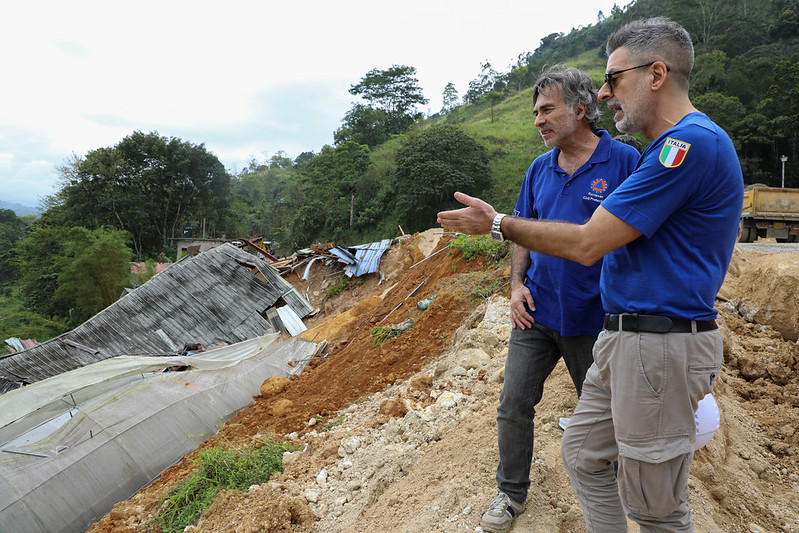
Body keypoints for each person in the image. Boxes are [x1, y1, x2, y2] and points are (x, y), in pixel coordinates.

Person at [437, 17, 743, 532]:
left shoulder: (681, 150)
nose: (606, 93)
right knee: (581, 453)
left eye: (614, 79)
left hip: (650, 341)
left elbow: (586, 243)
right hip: (618, 335)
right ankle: (515, 495)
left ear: (656, 74)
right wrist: (516, 281)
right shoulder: (627, 158)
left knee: (655, 507)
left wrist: (497, 224)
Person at [478, 65, 640, 533]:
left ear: (581, 109)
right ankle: (511, 494)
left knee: (608, 416)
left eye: (546, 110)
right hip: (538, 313)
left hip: (598, 319)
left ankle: (611, 497)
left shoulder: (625, 163)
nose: (537, 121)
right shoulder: (539, 169)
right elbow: (522, 233)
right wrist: (515, 286)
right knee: (513, 403)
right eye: (535, 112)